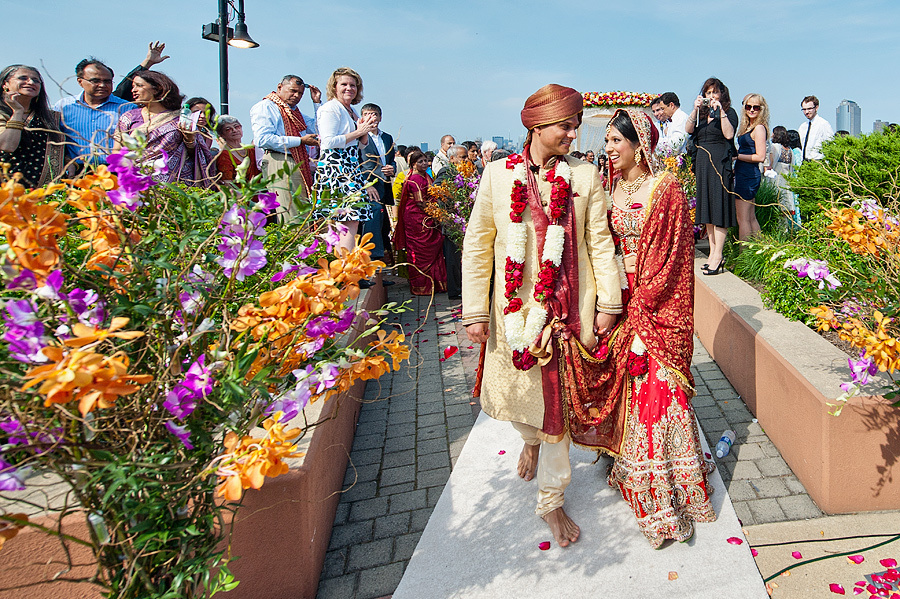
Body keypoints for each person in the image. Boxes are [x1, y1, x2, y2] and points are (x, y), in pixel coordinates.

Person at [462, 84, 622, 548]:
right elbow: (476, 246)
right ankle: (527, 438)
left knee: (558, 410)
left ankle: (551, 501)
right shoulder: (496, 176)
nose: (574, 133)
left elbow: (600, 244)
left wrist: (608, 304)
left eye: (575, 124)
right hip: (514, 311)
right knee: (521, 401)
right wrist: (476, 311)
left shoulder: (585, 177)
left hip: (567, 312)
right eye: (565, 126)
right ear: (536, 126)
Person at [603, 108, 717, 548]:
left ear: (640, 143)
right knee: (630, 389)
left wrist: (639, 313)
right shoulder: (615, 185)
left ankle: (668, 492)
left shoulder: (664, 188)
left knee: (655, 386)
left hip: (655, 303)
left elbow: (670, 258)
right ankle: (632, 469)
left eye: (617, 140)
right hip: (623, 296)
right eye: (608, 140)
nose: (610, 149)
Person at [114, 70, 215, 187]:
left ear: (157, 89)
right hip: (136, 181)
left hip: (173, 185)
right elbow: (117, 151)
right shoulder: (129, 117)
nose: (133, 90)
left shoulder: (180, 118)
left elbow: (197, 154)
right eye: (133, 86)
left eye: (139, 85)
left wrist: (189, 139)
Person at [315, 67, 378, 252]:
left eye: (353, 85)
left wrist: (364, 133)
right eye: (344, 84)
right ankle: (345, 270)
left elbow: (358, 145)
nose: (349, 88)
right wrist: (359, 132)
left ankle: (346, 269)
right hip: (336, 169)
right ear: (334, 87)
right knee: (347, 222)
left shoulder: (350, 110)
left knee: (352, 223)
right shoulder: (330, 108)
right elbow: (328, 142)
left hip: (350, 167)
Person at [250, 75, 322, 223]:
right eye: (293, 91)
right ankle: (295, 245)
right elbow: (263, 139)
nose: (296, 96)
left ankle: (302, 244)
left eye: (300, 93)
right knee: (291, 213)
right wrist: (300, 141)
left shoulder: (295, 112)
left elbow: (319, 128)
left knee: (303, 210)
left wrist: (317, 103)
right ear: (279, 87)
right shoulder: (266, 107)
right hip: (279, 159)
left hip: (297, 160)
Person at [685, 77, 738, 276]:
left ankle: (718, 254)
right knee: (707, 208)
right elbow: (688, 130)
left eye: (715, 92)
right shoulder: (701, 114)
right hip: (702, 164)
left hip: (719, 163)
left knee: (719, 207)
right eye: (708, 93)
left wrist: (721, 112)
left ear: (721, 94)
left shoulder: (729, 113)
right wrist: (695, 109)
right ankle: (712, 254)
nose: (711, 96)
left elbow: (729, 135)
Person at [53, 58, 136, 168]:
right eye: (95, 81)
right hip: (77, 171)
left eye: (107, 81)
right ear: (80, 81)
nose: (102, 85)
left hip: (114, 170)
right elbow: (55, 140)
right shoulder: (63, 107)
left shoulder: (128, 108)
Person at [0, 65, 65, 187]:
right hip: (5, 189)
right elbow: (7, 146)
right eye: (23, 78)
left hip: (41, 193)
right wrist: (17, 112)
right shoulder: (2, 113)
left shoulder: (51, 117)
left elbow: (65, 146)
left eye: (36, 80)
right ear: (5, 84)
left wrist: (70, 162)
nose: (30, 82)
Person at [394, 149, 447, 295]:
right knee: (420, 251)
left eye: (425, 161)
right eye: (420, 162)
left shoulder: (426, 177)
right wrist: (436, 216)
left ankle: (435, 284)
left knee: (433, 249)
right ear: (413, 164)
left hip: (426, 216)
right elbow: (421, 203)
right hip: (418, 219)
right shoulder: (415, 179)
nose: (424, 164)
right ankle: (422, 286)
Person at [358, 103, 396, 266]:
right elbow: (357, 162)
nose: (371, 117)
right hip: (368, 186)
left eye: (374, 114)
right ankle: (370, 261)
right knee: (369, 226)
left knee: (382, 227)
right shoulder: (358, 136)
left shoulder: (387, 137)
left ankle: (380, 264)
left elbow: (392, 160)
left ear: (380, 118)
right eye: (367, 114)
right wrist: (366, 183)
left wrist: (391, 168)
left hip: (384, 185)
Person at [733, 94, 769, 241]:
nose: (752, 110)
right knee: (750, 217)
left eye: (756, 107)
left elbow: (760, 157)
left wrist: (737, 156)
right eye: (748, 106)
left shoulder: (759, 128)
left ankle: (744, 256)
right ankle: (759, 251)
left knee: (743, 219)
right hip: (744, 173)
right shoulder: (749, 126)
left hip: (748, 174)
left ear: (762, 109)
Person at [768, 126, 801, 228]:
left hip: (776, 181)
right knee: (785, 211)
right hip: (787, 183)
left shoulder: (774, 147)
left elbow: (770, 164)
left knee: (776, 208)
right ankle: (785, 231)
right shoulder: (790, 150)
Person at [215, 115, 260, 183]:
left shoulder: (252, 151)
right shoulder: (224, 155)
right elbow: (227, 183)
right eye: (228, 129)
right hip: (238, 192)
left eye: (237, 126)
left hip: (259, 190)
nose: (235, 130)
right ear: (221, 134)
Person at [798, 95, 834, 162]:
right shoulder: (802, 127)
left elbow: (830, 145)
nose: (806, 112)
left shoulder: (823, 124)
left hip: (818, 162)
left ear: (816, 108)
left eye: (809, 109)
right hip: (804, 162)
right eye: (804, 109)